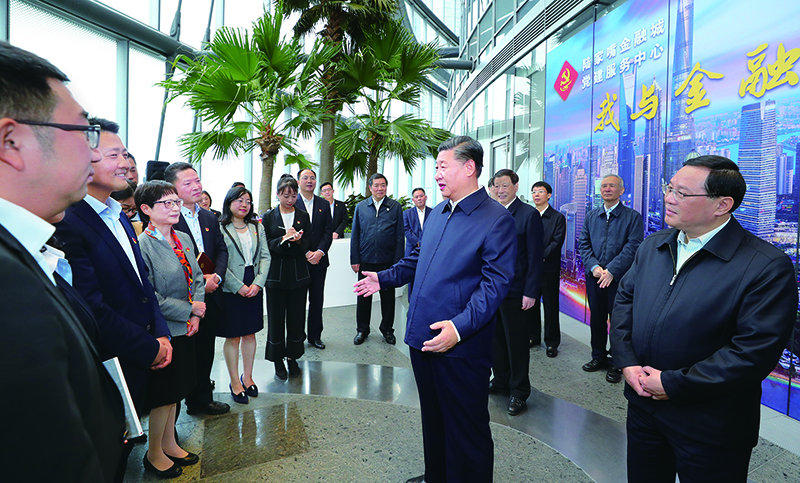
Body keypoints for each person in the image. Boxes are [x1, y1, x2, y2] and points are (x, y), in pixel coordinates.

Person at [610, 156, 797, 483]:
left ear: (722, 205)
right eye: (669, 188)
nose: (669, 198)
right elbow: (625, 301)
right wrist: (627, 362)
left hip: (711, 423)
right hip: (644, 406)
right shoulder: (654, 246)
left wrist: (672, 384)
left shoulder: (765, 267)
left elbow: (752, 352)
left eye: (682, 193)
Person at [355, 136, 517, 483]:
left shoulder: (496, 219)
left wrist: (458, 328)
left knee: (467, 428)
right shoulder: (439, 212)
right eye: (436, 168)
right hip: (423, 339)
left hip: (460, 346)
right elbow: (417, 259)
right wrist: (382, 278)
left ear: (469, 167)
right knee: (433, 417)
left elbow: (494, 287)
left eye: (443, 167)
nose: (437, 175)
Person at [0, 41, 125, 482]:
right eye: (84, 131)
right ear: (12, 143)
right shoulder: (7, 286)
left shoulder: (27, 250)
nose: (95, 153)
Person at [136, 181, 204, 478]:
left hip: (188, 326)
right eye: (167, 203)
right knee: (163, 395)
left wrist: (196, 313)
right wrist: (189, 310)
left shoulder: (183, 238)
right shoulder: (143, 245)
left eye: (177, 202)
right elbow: (149, 295)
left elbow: (198, 277)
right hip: (164, 329)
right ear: (146, 209)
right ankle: (153, 454)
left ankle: (169, 444)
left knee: (176, 390)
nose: (175, 207)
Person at [166, 162, 231, 416]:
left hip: (211, 294)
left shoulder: (208, 216)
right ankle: (171, 416)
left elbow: (221, 249)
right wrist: (201, 281)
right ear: (173, 189)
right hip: (183, 299)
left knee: (205, 351)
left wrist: (217, 277)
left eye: (197, 180)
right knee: (182, 356)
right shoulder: (168, 218)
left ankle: (201, 400)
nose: (196, 186)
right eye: (188, 183)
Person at [577, 174, 643, 383]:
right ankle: (598, 356)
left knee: (619, 322)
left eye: (612, 186)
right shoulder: (591, 216)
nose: (607, 189)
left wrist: (612, 270)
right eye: (604, 186)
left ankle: (618, 362)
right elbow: (583, 243)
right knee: (596, 318)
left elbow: (633, 246)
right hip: (595, 277)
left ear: (621, 190)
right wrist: (594, 267)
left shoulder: (632, 217)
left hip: (620, 279)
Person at [490, 169, 543, 416]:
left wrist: (531, 292)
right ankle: (501, 380)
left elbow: (535, 258)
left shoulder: (529, 215)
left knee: (517, 344)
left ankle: (519, 391)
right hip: (493, 290)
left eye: (505, 185)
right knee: (496, 340)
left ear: (515, 186)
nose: (500, 190)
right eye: (497, 186)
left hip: (517, 291)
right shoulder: (491, 213)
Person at [218, 186, 270, 403]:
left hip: (254, 282)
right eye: (239, 200)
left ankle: (247, 377)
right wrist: (237, 286)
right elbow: (220, 261)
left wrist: (258, 283)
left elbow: (266, 256)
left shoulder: (257, 226)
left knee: (250, 334)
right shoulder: (221, 228)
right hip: (231, 286)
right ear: (229, 202)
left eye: (248, 201)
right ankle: (234, 381)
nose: (244, 205)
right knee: (233, 336)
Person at [262, 174, 311, 379]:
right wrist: (283, 238)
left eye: (293, 196)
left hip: (298, 273)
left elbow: (309, 242)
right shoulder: (268, 217)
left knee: (296, 318)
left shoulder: (303, 215)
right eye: (285, 196)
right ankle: (277, 360)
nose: (290, 200)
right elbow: (265, 244)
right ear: (277, 194)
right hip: (276, 274)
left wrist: (298, 240)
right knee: (275, 319)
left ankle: (293, 357)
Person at [350, 173, 404, 345]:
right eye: (376, 185)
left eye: (383, 185)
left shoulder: (395, 207)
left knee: (388, 299)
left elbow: (399, 236)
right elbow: (355, 234)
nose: (380, 188)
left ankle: (387, 330)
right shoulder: (361, 207)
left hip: (387, 262)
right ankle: (362, 330)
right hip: (365, 260)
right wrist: (355, 258)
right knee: (363, 298)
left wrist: (398, 262)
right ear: (370, 187)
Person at [295, 168, 334, 349]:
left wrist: (319, 252)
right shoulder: (293, 203)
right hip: (299, 260)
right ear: (298, 182)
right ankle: (297, 336)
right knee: (298, 301)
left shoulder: (323, 204)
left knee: (317, 300)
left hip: (319, 261)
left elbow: (328, 231)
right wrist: (306, 253)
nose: (309, 181)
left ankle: (315, 336)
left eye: (312, 178)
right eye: (305, 178)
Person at [529, 181, 566, 356]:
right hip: (530, 269)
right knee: (531, 304)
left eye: (540, 191)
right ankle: (533, 336)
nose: (536, 195)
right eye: (534, 192)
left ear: (549, 195)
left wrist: (539, 256)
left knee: (551, 306)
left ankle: (552, 342)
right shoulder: (529, 215)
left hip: (549, 269)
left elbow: (556, 243)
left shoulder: (557, 218)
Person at [403, 187, 431, 257]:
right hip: (412, 247)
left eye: (421, 196)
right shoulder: (407, 213)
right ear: (413, 200)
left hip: (428, 247)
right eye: (416, 197)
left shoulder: (432, 212)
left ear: (426, 197)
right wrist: (417, 242)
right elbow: (406, 229)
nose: (419, 199)